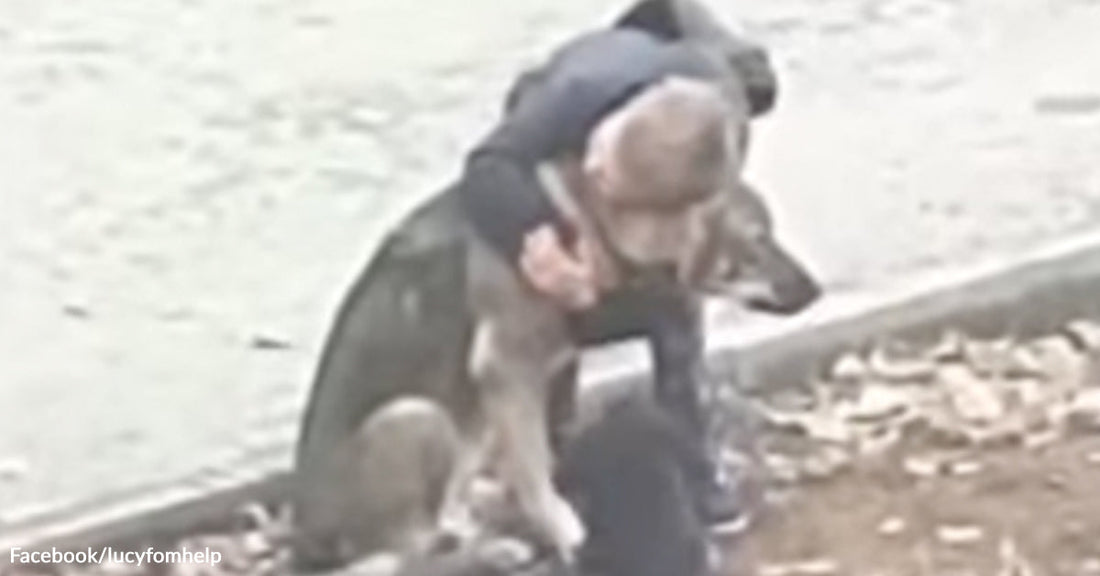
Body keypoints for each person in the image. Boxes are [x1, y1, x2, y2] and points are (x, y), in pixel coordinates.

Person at [455, 24, 753, 527]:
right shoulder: (575, 97)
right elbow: (486, 169)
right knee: (548, 321)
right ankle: (550, 457)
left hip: (679, 151)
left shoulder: (723, 118)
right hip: (544, 133)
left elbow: (708, 210)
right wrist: (539, 237)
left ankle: (694, 465)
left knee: (676, 315)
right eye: (602, 155)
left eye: (607, 175)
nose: (595, 166)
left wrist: (682, 261)